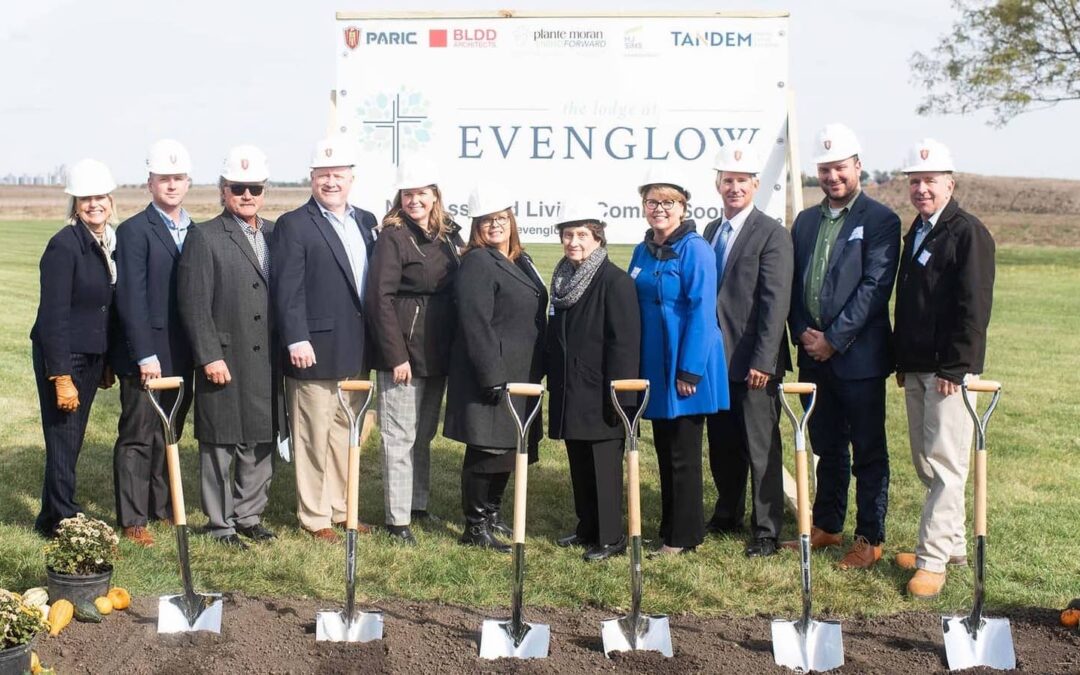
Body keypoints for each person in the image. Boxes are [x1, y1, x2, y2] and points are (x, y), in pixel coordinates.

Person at [785, 123, 901, 570]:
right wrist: (805, 333)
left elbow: (875, 287)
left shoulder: (881, 221)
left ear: (857, 167)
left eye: (840, 168)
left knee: (868, 451)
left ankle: (870, 538)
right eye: (825, 169)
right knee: (826, 446)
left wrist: (834, 339)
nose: (833, 177)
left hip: (860, 359)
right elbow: (796, 283)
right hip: (814, 355)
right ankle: (828, 526)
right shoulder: (807, 221)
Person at [892, 139, 995, 598]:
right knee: (925, 461)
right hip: (916, 366)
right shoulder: (916, 230)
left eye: (930, 181)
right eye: (914, 181)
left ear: (949, 183)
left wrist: (956, 369)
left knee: (945, 464)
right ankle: (950, 544)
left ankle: (932, 560)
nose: (921, 189)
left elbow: (974, 307)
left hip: (948, 372)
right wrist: (901, 360)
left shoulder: (967, 232)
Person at [271, 137, 378, 543]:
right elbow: (287, 289)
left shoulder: (367, 221)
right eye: (323, 175)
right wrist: (296, 337)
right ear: (311, 179)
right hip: (312, 349)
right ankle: (315, 517)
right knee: (313, 436)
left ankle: (341, 507)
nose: (331, 182)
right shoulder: (294, 225)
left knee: (345, 434)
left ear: (351, 178)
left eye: (338, 175)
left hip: (356, 347)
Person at [178, 145, 283, 549]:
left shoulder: (276, 234)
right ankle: (221, 523)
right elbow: (193, 303)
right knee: (220, 441)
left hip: (266, 357)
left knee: (260, 438)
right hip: (225, 354)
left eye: (254, 188)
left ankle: (249, 515)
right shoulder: (203, 237)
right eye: (237, 188)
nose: (246, 195)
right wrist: (208, 356)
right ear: (223, 190)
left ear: (264, 190)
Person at [629, 170, 729, 557]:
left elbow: (704, 310)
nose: (659, 209)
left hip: (687, 367)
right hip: (655, 364)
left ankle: (684, 536)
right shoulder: (643, 249)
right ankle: (670, 527)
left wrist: (690, 370)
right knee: (665, 449)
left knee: (683, 454)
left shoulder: (695, 248)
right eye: (652, 202)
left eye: (668, 202)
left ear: (683, 207)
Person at [444, 182, 547, 552]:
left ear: (512, 221)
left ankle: (492, 515)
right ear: (476, 226)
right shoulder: (477, 262)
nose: (495, 226)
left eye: (501, 218)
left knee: (508, 450)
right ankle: (475, 526)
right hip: (492, 373)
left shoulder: (520, 259)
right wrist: (492, 375)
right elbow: (476, 322)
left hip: (521, 373)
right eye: (486, 220)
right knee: (486, 451)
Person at [365, 159, 464, 545]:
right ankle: (397, 519)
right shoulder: (393, 237)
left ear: (435, 195)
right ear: (399, 198)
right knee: (399, 437)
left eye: (422, 193)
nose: (415, 200)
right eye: (408, 194)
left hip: (436, 351)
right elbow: (379, 299)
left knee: (423, 435)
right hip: (403, 351)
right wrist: (395, 355)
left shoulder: (448, 234)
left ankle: (417, 505)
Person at [701, 141, 793, 558]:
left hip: (754, 361)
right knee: (722, 445)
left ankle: (767, 528)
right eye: (727, 181)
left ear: (756, 184)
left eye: (742, 181)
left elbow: (775, 302)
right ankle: (727, 512)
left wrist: (764, 360)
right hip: (717, 361)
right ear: (718, 184)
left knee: (761, 447)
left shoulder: (772, 234)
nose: (734, 187)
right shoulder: (711, 231)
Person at [111, 139, 196, 547]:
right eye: (164, 179)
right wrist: (145, 354)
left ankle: (162, 509)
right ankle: (133, 517)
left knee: (170, 434)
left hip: (183, 354)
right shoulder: (133, 231)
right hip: (148, 354)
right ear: (150, 183)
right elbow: (131, 298)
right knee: (138, 435)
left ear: (188, 182)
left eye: (178, 178)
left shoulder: (195, 231)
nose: (172, 185)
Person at [546, 204, 640, 562]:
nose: (574, 242)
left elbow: (626, 343)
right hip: (571, 390)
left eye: (582, 235)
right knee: (580, 463)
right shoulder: (563, 280)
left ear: (597, 238)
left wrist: (622, 399)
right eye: (568, 235)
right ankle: (587, 526)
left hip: (603, 393)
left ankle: (611, 537)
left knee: (603, 466)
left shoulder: (615, 282)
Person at [31, 159, 118, 537]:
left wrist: (105, 359)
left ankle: (49, 517)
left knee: (70, 438)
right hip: (65, 356)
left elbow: (103, 307)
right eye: (86, 199)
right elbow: (53, 316)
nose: (94, 204)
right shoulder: (64, 246)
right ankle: (65, 517)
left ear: (111, 201)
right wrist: (60, 374)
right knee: (64, 435)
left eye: (100, 197)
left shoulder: (106, 242)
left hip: (90, 354)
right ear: (75, 203)